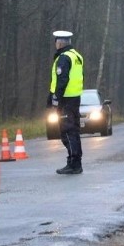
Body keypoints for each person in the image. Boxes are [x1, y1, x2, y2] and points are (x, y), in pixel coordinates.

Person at [49, 30, 84, 175]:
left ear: (60, 43)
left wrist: (56, 98)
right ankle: (75, 162)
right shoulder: (76, 56)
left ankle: (73, 164)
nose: (56, 44)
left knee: (67, 131)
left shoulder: (63, 58)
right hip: (75, 98)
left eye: (56, 42)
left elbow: (62, 80)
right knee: (74, 131)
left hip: (65, 100)